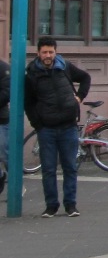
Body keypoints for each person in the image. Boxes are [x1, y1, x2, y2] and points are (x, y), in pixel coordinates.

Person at [25, 37, 91, 218]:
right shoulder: (31, 75)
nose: (48, 55)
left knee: (70, 166)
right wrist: (38, 125)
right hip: (47, 129)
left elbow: (85, 78)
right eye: (45, 52)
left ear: (56, 52)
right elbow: (28, 104)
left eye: (51, 52)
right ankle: (51, 206)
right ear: (38, 53)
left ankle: (71, 205)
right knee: (48, 169)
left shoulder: (65, 67)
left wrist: (79, 97)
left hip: (68, 126)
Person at [0, 58, 10, 195]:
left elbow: (6, 92)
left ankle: (16, 185)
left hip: (1, 118)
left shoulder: (3, 68)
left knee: (5, 153)